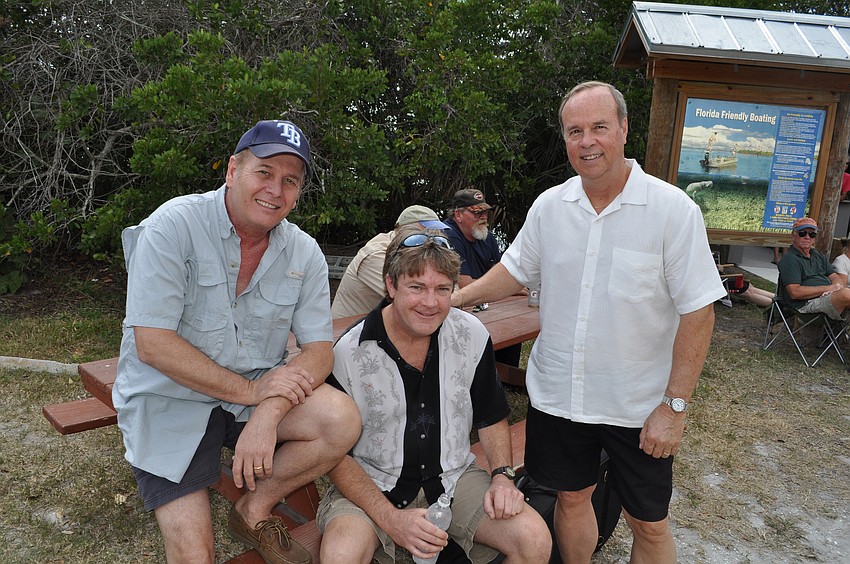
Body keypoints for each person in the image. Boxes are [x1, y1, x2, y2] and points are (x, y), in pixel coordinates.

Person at [452, 81, 726, 564]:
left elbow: (698, 310)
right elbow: (513, 270)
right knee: (572, 498)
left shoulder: (672, 211)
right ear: (565, 140)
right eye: (575, 131)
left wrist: (675, 406)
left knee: (649, 523)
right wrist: (456, 299)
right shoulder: (550, 206)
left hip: (637, 407)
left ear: (623, 129)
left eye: (599, 127)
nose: (587, 141)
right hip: (559, 397)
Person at [113, 120, 361, 564]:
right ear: (232, 170)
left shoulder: (303, 251)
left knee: (340, 419)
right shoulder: (172, 226)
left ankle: (253, 505)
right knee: (196, 556)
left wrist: (267, 411)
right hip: (168, 400)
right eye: (264, 172)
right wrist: (252, 392)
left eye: (290, 181)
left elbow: (319, 349)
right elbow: (152, 343)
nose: (276, 190)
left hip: (251, 396)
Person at [317, 224, 551, 564]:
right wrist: (390, 519)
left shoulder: (470, 334)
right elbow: (335, 456)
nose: (430, 302)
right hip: (372, 483)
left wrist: (502, 476)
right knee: (340, 555)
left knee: (533, 539)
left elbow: (491, 414)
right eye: (416, 287)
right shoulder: (349, 352)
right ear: (390, 285)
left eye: (442, 288)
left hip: (453, 478)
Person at [444, 188, 523, 368]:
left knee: (512, 320)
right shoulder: (448, 236)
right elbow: (463, 285)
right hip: (458, 308)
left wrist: (508, 285)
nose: (484, 217)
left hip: (484, 304)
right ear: (458, 215)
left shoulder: (486, 236)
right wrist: (506, 287)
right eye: (477, 212)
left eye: (485, 211)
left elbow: (502, 273)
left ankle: (508, 375)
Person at [331, 205, 449, 319]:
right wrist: (459, 295)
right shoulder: (375, 255)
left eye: (437, 232)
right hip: (347, 329)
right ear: (405, 229)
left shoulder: (415, 252)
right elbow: (414, 299)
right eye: (428, 231)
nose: (433, 238)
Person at [778, 217, 850, 319]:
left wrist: (835, 287)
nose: (807, 237)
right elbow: (795, 292)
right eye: (802, 233)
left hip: (828, 298)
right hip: (805, 305)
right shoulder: (789, 259)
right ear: (793, 234)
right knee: (846, 294)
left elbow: (835, 277)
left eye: (812, 234)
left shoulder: (817, 255)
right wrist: (829, 288)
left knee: (846, 294)